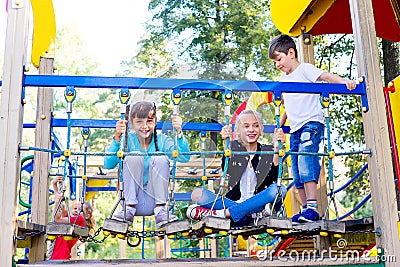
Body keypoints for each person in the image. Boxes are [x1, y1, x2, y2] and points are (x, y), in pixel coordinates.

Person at [268, 34, 357, 223]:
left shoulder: (304, 70)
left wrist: (344, 82)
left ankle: (313, 208)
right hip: (295, 128)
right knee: (297, 168)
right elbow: (288, 105)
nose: (277, 64)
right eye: (275, 61)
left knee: (306, 160)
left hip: (312, 124)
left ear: (291, 53)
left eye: (279, 59)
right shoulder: (284, 79)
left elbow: (325, 76)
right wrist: (281, 125)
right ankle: (305, 209)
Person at [186, 110, 287, 227]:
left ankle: (224, 214)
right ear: (238, 130)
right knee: (197, 194)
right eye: (246, 126)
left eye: (255, 126)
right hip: (235, 203)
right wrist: (226, 145)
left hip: (259, 204)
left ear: (261, 129)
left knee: (280, 189)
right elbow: (227, 170)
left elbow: (273, 178)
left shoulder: (267, 150)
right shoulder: (233, 148)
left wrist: (276, 149)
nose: (251, 130)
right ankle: (249, 215)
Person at [104, 101, 191, 227]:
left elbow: (184, 157)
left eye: (149, 121)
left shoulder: (162, 140)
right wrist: (117, 137)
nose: (145, 126)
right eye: (139, 121)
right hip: (130, 201)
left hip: (155, 201)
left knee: (160, 157)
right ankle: (128, 209)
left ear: (155, 122)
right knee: (134, 156)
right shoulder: (127, 140)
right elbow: (108, 164)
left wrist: (179, 133)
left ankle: (161, 211)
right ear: (132, 123)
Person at [49, 176, 96, 260]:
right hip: (59, 257)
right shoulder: (72, 221)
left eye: (80, 210)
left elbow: (57, 219)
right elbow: (61, 206)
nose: (76, 211)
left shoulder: (79, 220)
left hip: (60, 258)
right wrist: (55, 186)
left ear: (87, 216)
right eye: (75, 208)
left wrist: (56, 201)